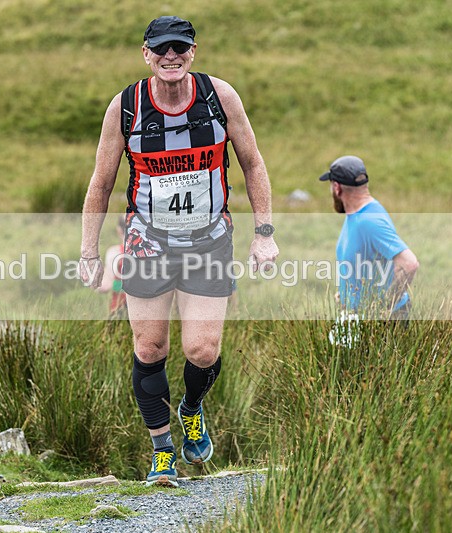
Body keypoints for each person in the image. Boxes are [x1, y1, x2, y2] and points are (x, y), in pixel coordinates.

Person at [79, 16, 278, 487]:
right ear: (146, 54)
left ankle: (192, 408)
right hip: (147, 241)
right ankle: (163, 450)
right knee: (150, 348)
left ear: (193, 51)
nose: (171, 57)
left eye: (180, 48)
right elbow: (102, 182)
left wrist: (264, 232)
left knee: (202, 351)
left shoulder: (219, 97)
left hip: (209, 239)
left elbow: (252, 162)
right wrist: (89, 251)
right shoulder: (125, 106)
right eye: (161, 49)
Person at [318, 155, 419, 326]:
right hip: (359, 319)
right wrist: (346, 294)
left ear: (337, 188)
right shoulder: (358, 214)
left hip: (382, 323)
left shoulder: (369, 221)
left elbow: (409, 264)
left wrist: (386, 305)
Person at [96, 214, 128, 319]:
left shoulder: (114, 253)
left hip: (120, 309)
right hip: (147, 309)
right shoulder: (153, 253)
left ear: (119, 230)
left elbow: (105, 286)